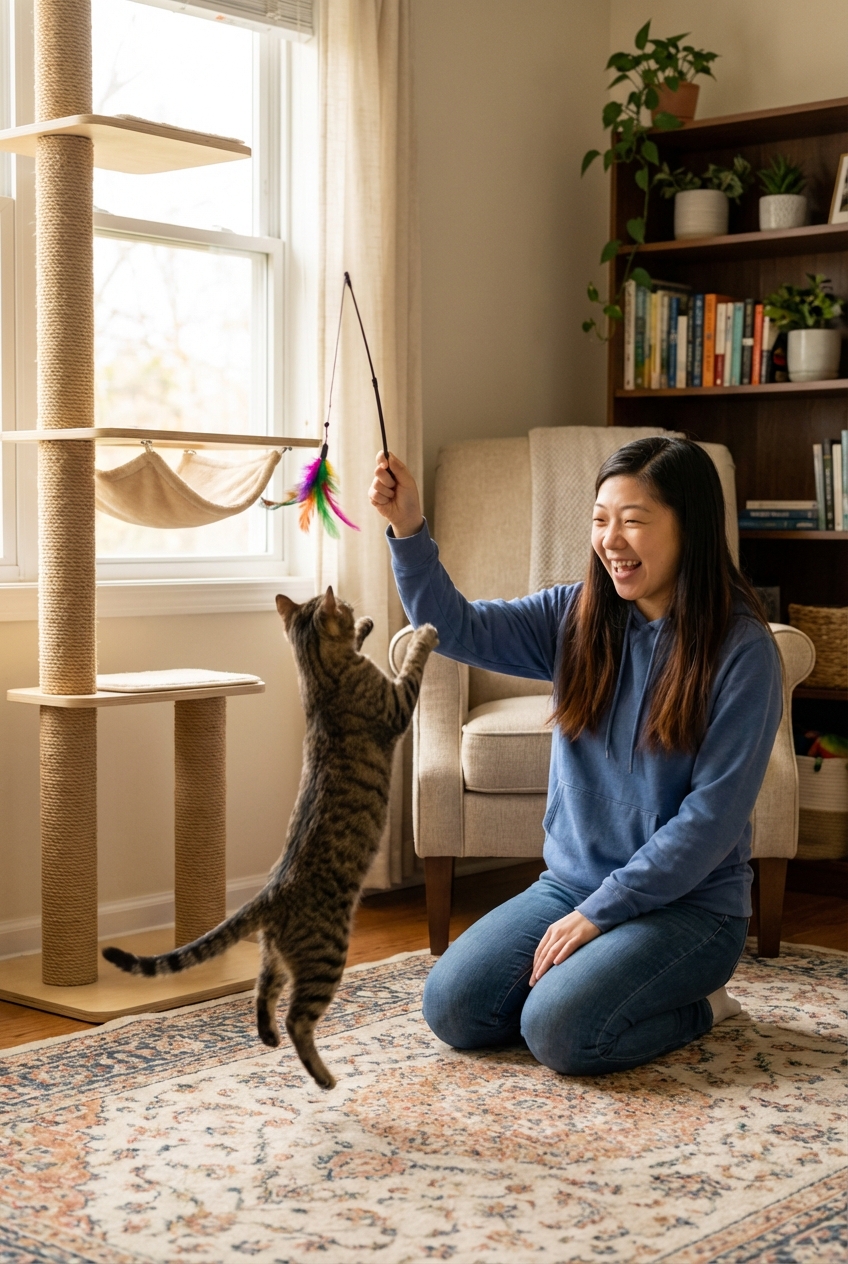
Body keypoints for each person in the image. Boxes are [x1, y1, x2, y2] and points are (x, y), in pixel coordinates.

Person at [368, 436, 783, 1076]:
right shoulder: (574, 616)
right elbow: (451, 625)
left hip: (691, 910)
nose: (611, 539)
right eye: (600, 520)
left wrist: (599, 915)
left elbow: (711, 821)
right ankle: (598, 984)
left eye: (634, 521)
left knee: (559, 1031)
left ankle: (703, 1005)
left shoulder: (743, 651)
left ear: (690, 528)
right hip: (570, 885)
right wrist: (408, 527)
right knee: (453, 1006)